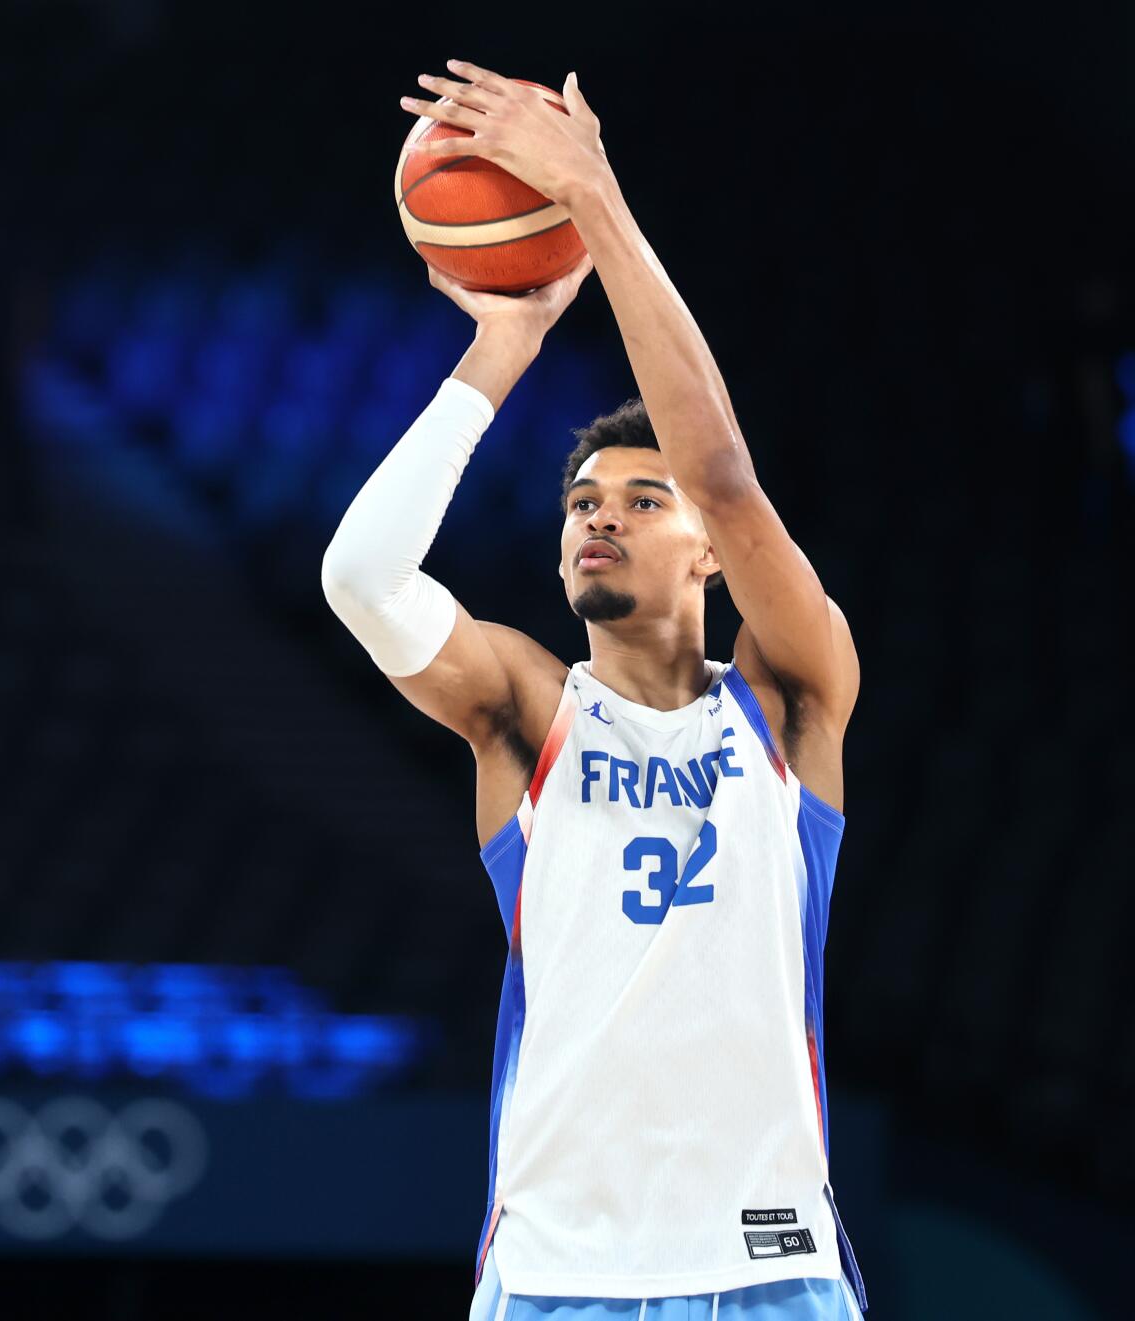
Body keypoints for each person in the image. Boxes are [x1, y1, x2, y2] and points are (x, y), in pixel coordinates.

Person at [323, 62, 866, 1318]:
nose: (596, 520)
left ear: (708, 556)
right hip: (554, 1275)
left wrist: (594, 197)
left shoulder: (788, 699)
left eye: (636, 499)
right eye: (577, 503)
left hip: (766, 1265)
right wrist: (501, 342)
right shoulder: (526, 706)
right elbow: (358, 574)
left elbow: (722, 472)